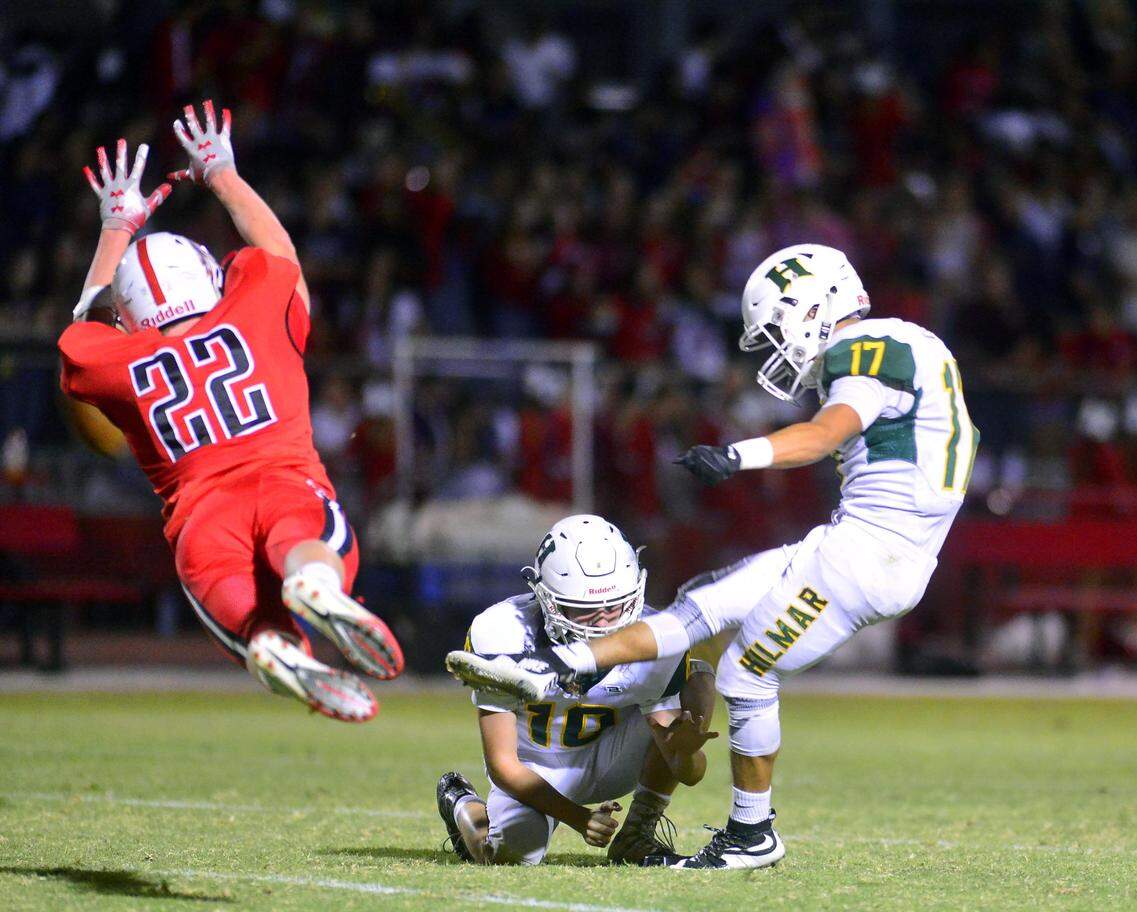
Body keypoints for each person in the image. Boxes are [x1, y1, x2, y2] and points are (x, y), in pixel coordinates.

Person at [446, 244, 979, 868]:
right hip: (859, 540)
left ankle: (753, 833)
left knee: (745, 670)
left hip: (874, 553)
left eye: (778, 326)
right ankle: (555, 667)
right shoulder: (911, 345)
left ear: (815, 304)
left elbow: (823, 435)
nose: (778, 345)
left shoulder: (861, 350)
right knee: (702, 602)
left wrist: (738, 455)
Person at [59, 101, 404, 722]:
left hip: (200, 523)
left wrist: (116, 228)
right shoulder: (255, 309)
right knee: (310, 548)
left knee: (254, 629)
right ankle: (315, 585)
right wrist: (221, 174)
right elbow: (279, 252)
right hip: (283, 486)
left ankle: (275, 648)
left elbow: (84, 331)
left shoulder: (119, 363)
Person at [437, 514, 717, 866]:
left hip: (614, 758)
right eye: (585, 610)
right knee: (511, 854)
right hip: (532, 767)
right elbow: (503, 764)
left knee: (699, 678)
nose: (604, 621)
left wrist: (685, 753)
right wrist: (578, 818)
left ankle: (637, 833)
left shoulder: (656, 638)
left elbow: (688, 772)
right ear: (546, 598)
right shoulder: (503, 632)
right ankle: (463, 805)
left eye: (615, 606)